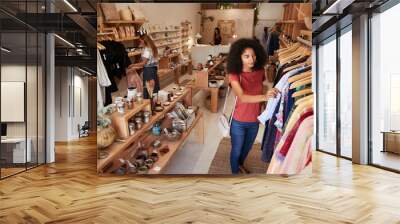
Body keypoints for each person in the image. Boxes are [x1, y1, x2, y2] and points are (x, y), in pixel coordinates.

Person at [227, 38, 279, 174]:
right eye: (247, 56)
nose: (252, 59)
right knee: (237, 149)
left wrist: (265, 106)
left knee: (247, 149)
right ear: (238, 57)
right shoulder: (234, 75)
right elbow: (242, 97)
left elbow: (260, 88)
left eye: (254, 55)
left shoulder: (260, 71)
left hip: (254, 120)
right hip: (238, 120)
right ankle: (235, 174)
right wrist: (264, 97)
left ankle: (239, 165)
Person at [131, 34, 160, 99]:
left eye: (140, 41)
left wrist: (133, 65)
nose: (140, 43)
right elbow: (154, 62)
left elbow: (143, 63)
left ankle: (150, 104)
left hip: (148, 71)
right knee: (153, 88)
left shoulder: (147, 50)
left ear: (144, 41)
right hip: (153, 70)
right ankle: (154, 103)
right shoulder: (152, 48)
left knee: (149, 88)